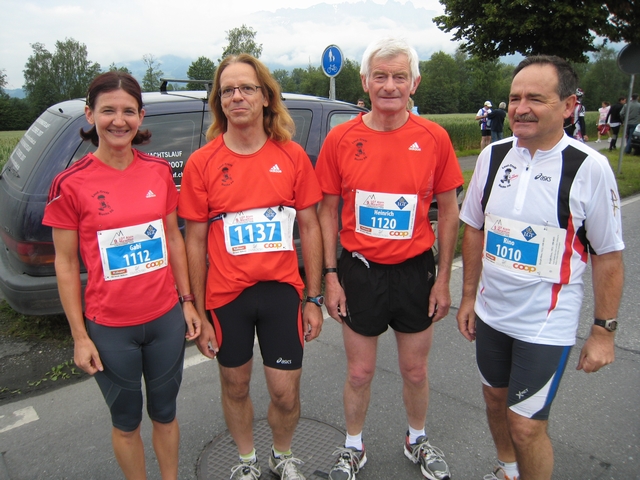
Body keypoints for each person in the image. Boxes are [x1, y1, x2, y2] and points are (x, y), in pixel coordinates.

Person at [457, 55, 624, 480]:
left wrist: (603, 331)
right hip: (491, 314)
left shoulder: (589, 167)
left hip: (546, 322)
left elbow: (608, 254)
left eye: (535, 98)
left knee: (526, 426)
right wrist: (468, 297)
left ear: (568, 106)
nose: (521, 108)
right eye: (515, 98)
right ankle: (507, 470)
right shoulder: (493, 157)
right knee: (495, 402)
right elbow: (473, 228)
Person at [42, 71, 202, 480]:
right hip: (110, 329)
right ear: (89, 115)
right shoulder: (70, 184)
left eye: (128, 111)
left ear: (141, 116)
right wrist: (79, 337)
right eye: (108, 110)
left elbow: (173, 238)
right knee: (126, 422)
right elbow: (65, 264)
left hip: (165, 320)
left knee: (165, 413)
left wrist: (187, 302)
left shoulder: (158, 172)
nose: (119, 120)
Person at [316, 37, 463, 480]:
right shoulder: (341, 138)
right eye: (380, 76)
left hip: (415, 271)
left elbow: (449, 210)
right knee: (360, 372)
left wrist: (443, 280)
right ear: (365, 81)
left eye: (400, 76)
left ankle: (416, 438)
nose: (390, 85)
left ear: (414, 83)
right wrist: (330, 277)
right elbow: (326, 211)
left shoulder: (434, 137)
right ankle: (353, 447)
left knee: (415, 370)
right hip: (360, 271)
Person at [179, 53, 324, 480]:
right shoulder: (202, 163)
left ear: (265, 97)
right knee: (235, 385)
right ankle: (246, 462)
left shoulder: (292, 156)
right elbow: (194, 240)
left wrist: (314, 297)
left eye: (246, 88)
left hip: (281, 292)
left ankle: (282, 454)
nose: (236, 96)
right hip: (227, 297)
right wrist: (197, 309)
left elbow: (311, 227)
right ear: (219, 102)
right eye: (227, 90)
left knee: (284, 392)